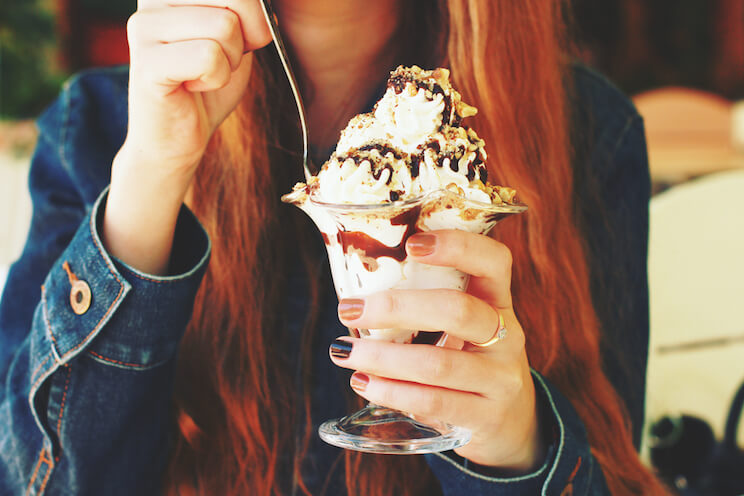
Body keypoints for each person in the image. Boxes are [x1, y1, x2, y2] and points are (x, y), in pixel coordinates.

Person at [0, 0, 670, 494]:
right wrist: (152, 176)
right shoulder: (101, 130)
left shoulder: (587, 134)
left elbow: (611, 472)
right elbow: (33, 478)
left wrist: (515, 449)